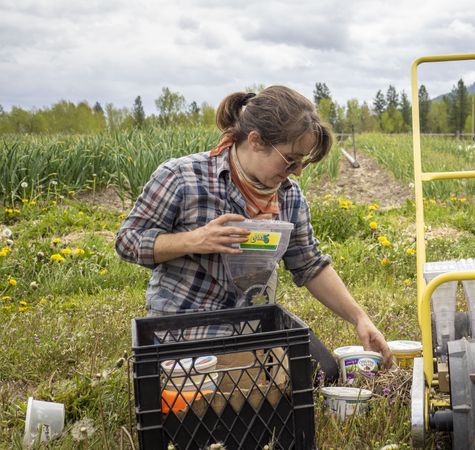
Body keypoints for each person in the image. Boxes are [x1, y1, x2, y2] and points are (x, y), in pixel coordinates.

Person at [115, 85, 392, 383]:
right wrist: (194, 240)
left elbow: (310, 265)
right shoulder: (183, 178)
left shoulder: (289, 196)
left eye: (303, 161)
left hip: (252, 325)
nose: (297, 170)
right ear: (256, 141)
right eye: (290, 159)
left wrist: (360, 318)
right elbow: (127, 241)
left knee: (324, 372)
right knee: (235, 391)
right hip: (186, 329)